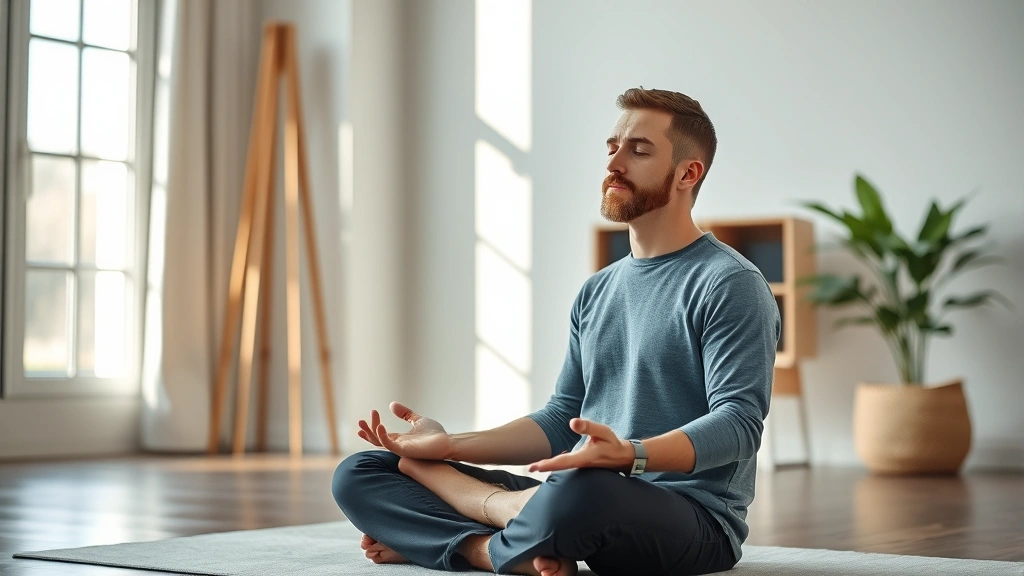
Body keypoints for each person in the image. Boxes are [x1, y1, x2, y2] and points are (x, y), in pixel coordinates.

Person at [332, 87, 780, 576]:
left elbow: (739, 424)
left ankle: (468, 538)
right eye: (613, 147)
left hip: (690, 520)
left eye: (639, 150)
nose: (615, 163)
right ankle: (500, 538)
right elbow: (559, 419)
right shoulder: (597, 290)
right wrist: (449, 447)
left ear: (688, 173)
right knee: (363, 471)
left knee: (580, 489)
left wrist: (631, 456)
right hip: (581, 492)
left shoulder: (730, 283)